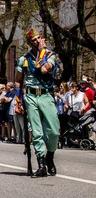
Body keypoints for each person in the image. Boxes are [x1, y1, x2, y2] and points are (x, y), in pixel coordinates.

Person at [15, 28, 61, 177]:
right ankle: (41, 164)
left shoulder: (51, 56)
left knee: (53, 131)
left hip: (46, 95)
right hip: (31, 96)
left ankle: (50, 157)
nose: (37, 41)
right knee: (36, 132)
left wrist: (42, 51)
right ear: (30, 43)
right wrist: (18, 100)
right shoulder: (24, 59)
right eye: (34, 40)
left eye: (39, 38)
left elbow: (43, 69)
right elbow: (18, 81)